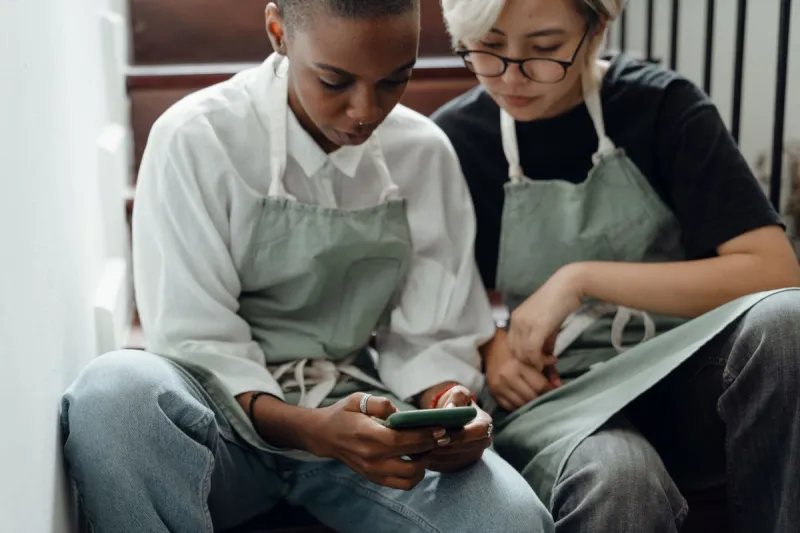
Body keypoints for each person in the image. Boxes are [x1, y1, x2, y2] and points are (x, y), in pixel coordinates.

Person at [59, 1, 556, 532]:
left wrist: (449, 408)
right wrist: (311, 429)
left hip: (364, 417)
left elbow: (431, 336)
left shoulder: (423, 152)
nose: (366, 110)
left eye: (394, 81)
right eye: (335, 81)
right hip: (220, 424)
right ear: (279, 33)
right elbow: (194, 340)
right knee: (113, 394)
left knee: (513, 520)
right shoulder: (196, 139)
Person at [432, 1, 800, 532]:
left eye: (544, 49)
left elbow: (774, 272)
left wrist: (580, 279)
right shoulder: (455, 139)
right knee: (619, 481)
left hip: (687, 374)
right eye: (488, 47)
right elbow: (430, 302)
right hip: (561, 397)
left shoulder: (662, 106)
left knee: (786, 322)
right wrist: (490, 347)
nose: (512, 75)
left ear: (598, 26)